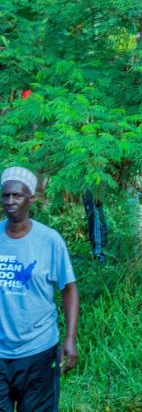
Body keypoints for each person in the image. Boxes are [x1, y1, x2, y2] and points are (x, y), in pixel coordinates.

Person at [0, 167, 79, 410]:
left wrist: (70, 338)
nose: (10, 201)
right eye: (5, 196)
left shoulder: (49, 240)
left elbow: (69, 290)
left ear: (30, 199)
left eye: (18, 196)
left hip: (39, 350)